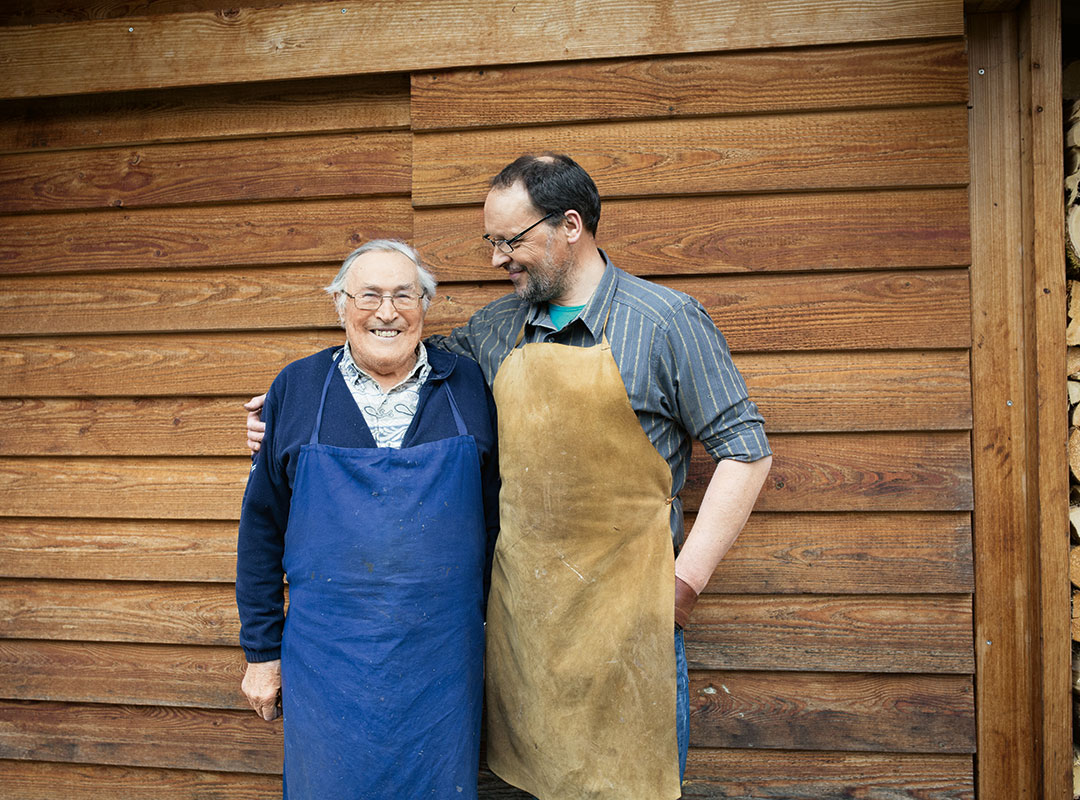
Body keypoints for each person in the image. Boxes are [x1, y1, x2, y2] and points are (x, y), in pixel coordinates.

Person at [246, 155, 772, 800]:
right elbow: (395, 369)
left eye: (510, 240)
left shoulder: (663, 321)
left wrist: (682, 587)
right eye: (491, 242)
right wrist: (284, 413)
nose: (498, 258)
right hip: (523, 624)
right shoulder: (493, 332)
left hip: (626, 619)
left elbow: (746, 452)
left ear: (570, 225)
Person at [236, 239, 500, 799]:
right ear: (340, 305)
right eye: (370, 295)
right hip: (329, 660)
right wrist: (261, 654)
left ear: (425, 306)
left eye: (405, 295)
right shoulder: (298, 388)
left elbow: (499, 517)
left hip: (442, 660)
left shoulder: (469, 386)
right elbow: (261, 531)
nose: (387, 311)